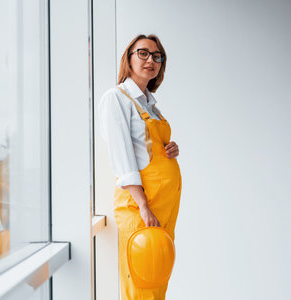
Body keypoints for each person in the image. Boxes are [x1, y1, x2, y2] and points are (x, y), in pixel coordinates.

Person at [99, 34, 182, 300]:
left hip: (163, 207)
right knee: (140, 283)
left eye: (157, 56)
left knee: (157, 281)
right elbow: (122, 156)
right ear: (129, 57)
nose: (151, 60)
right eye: (143, 53)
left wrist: (170, 148)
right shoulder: (116, 98)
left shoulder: (150, 104)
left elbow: (146, 148)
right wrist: (143, 206)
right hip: (141, 205)